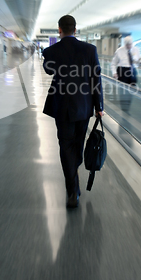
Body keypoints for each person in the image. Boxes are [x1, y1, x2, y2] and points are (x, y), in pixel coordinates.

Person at [42, 15, 104, 209]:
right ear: (75, 30)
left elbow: (49, 70)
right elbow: (96, 79)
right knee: (76, 143)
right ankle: (73, 174)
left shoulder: (52, 51)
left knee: (65, 145)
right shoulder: (89, 50)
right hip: (84, 107)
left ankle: (72, 191)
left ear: (59, 30)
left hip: (62, 107)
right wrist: (99, 106)